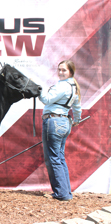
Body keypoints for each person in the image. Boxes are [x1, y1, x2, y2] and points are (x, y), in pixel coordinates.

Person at [39, 60, 82, 201]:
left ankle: (61, 194)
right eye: (59, 69)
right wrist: (77, 120)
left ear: (70, 72)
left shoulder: (62, 85)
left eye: (64, 70)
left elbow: (46, 99)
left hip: (53, 122)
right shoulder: (73, 86)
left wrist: (37, 88)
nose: (61, 72)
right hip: (64, 122)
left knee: (53, 159)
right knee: (59, 158)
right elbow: (77, 107)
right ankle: (66, 192)